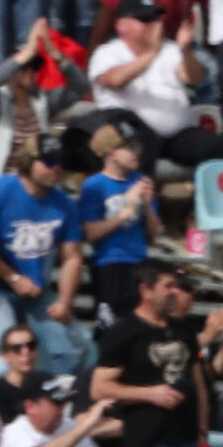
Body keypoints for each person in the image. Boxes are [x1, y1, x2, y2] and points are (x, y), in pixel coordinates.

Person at [91, 263, 215, 447]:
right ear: (146, 290)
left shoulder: (184, 329)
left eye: (176, 286)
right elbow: (99, 387)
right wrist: (149, 394)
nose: (175, 292)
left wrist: (202, 430)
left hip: (187, 438)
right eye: (167, 286)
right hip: (148, 441)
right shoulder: (124, 332)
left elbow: (198, 384)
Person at [0, 144, 88, 379]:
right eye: (49, 162)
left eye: (60, 161)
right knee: (6, 344)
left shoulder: (64, 204)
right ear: (29, 162)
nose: (57, 168)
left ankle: (48, 401)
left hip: (35, 291)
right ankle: (6, 404)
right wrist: (12, 277)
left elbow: (72, 256)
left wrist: (65, 302)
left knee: (72, 348)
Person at [84, 0, 223, 175]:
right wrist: (152, 52)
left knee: (217, 146)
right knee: (142, 141)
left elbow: (194, 77)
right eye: (144, 18)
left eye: (154, 17)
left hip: (176, 135)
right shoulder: (107, 52)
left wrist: (185, 50)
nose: (152, 23)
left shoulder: (170, 49)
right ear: (121, 25)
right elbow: (115, 80)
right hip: (131, 140)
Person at [79, 125, 161, 324]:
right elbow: (90, 232)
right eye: (130, 148)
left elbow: (156, 232)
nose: (137, 152)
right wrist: (125, 212)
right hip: (110, 263)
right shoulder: (94, 185)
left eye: (137, 146)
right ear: (112, 152)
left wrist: (149, 204)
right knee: (112, 324)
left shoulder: (140, 181)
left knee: (140, 323)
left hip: (139, 261)